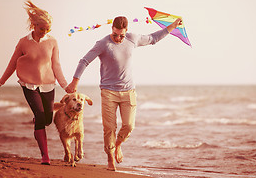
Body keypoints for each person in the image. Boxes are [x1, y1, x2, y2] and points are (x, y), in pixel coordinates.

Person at [65, 16, 182, 171]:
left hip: (128, 91)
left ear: (126, 31)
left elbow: (153, 38)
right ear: (111, 29)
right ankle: (110, 158)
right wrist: (75, 81)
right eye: (115, 34)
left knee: (129, 125)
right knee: (109, 128)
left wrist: (172, 26)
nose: (119, 38)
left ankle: (118, 145)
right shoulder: (103, 44)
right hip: (108, 92)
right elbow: (84, 61)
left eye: (122, 35)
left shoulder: (132, 39)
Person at [0, 0, 68, 165]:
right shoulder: (23, 42)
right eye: (42, 28)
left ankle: (38, 121)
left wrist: (65, 85)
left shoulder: (52, 42)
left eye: (48, 29)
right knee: (40, 116)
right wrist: (0, 82)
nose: (44, 32)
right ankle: (45, 156)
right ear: (34, 25)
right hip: (28, 84)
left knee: (47, 119)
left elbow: (56, 65)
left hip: (48, 84)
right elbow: (12, 63)